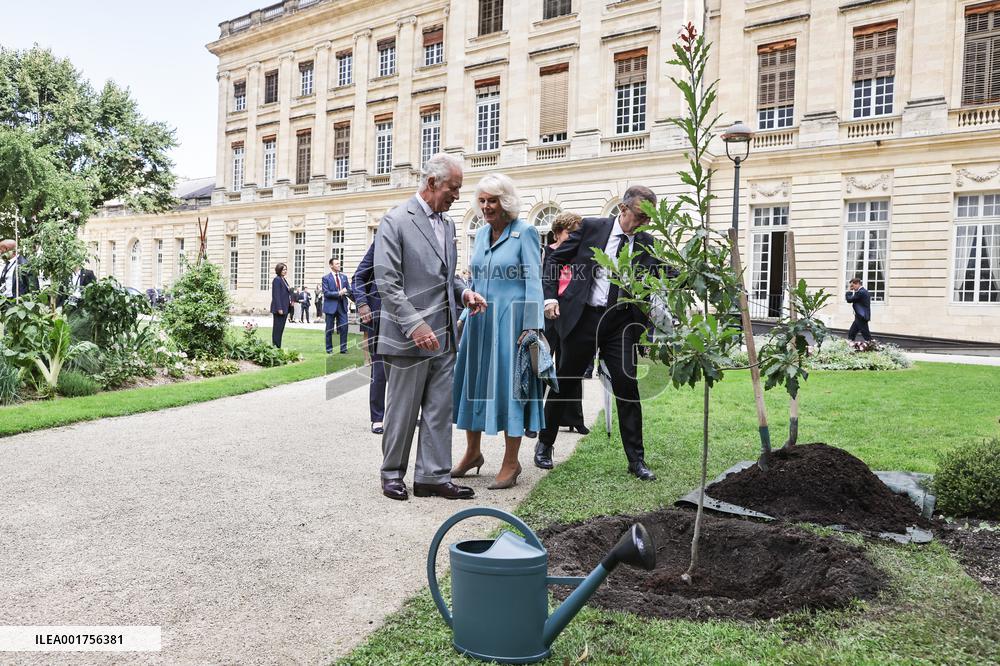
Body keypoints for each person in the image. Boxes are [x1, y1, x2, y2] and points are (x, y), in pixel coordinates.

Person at [374, 152, 487, 501]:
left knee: (439, 410)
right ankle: (392, 474)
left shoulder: (449, 225)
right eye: (453, 188)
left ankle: (432, 477)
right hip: (408, 337)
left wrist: (464, 293)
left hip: (445, 335)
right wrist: (415, 325)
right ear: (432, 182)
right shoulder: (395, 220)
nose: (457, 195)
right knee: (402, 411)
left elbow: (446, 276)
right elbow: (387, 282)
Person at [536, 185, 665, 481]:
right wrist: (550, 296)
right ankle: (545, 443)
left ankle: (636, 460)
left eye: (649, 217)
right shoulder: (592, 228)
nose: (644, 222)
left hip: (620, 323)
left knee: (627, 387)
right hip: (584, 318)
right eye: (640, 215)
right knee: (565, 381)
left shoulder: (648, 243)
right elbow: (555, 259)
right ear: (623, 209)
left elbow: (663, 277)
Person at [451, 174, 545, 490]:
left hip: (512, 326)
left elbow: (534, 282)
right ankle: (472, 453)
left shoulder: (525, 232)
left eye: (492, 200)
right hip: (478, 323)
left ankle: (511, 462)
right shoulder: (480, 235)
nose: (486, 206)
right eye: (482, 200)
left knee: (510, 388)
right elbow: (475, 280)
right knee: (473, 385)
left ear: (505, 202)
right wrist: (465, 312)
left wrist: (531, 326)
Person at [544, 212, 588, 435]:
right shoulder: (545, 253)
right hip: (547, 312)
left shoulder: (579, 254)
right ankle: (534, 418)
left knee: (570, 365)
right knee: (541, 364)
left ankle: (574, 418)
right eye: (570, 232)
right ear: (557, 233)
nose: (574, 237)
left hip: (571, 313)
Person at [352, 241, 387, 435]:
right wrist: (362, 304)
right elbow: (359, 276)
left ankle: (403, 415)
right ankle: (377, 417)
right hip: (380, 313)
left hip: (411, 315)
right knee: (379, 369)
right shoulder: (381, 241)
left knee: (408, 369)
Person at [322, 259, 351, 354]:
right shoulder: (326, 278)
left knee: (344, 327)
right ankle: (329, 349)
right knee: (329, 329)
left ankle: (343, 348)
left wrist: (349, 292)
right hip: (330, 306)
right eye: (337, 263)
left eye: (339, 263)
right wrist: (339, 293)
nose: (339, 265)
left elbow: (349, 289)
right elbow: (326, 293)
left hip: (342, 306)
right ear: (331, 266)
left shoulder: (344, 277)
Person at [0, 239, 35, 305]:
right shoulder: (8, 263)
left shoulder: (23, 264)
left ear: (6, 249)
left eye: (1, 250)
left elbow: (33, 285)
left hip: (18, 301)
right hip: (6, 300)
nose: (0, 253)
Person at [270, 263, 291, 347]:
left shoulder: (283, 279)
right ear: (279, 270)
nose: (285, 271)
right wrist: (279, 308)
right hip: (279, 308)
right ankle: (275, 347)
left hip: (285, 307)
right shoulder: (277, 280)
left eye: (286, 269)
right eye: (283, 269)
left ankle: (278, 346)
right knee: (277, 329)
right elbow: (276, 295)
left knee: (281, 329)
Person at [846, 277, 872, 342]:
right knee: (851, 334)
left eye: (852, 286)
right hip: (859, 316)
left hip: (861, 317)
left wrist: (849, 291)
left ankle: (874, 346)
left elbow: (849, 300)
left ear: (857, 284)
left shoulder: (861, 292)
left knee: (866, 336)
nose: (852, 288)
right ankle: (850, 346)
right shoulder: (863, 291)